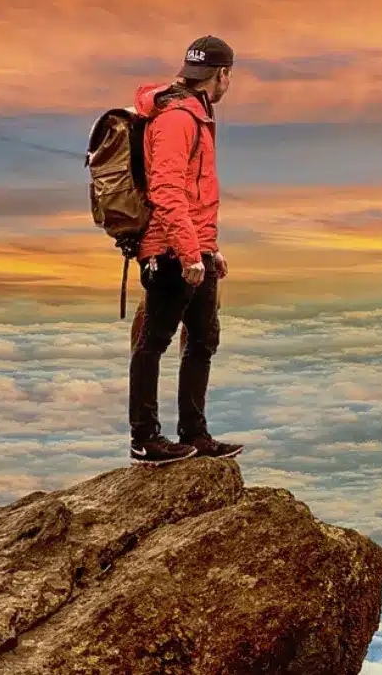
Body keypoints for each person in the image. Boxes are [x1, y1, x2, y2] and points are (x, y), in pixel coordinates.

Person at [127, 35, 243, 465]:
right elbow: (166, 190)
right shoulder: (177, 118)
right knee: (154, 341)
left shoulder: (196, 114)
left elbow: (195, 196)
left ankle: (194, 433)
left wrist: (209, 250)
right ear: (222, 75)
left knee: (203, 340)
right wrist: (189, 253)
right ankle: (145, 439)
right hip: (169, 251)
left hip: (193, 248)